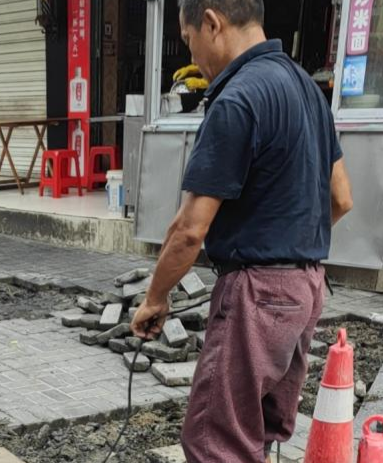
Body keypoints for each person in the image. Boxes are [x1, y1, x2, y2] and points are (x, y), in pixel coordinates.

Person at [130, 1, 353, 462]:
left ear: (211, 22)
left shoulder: (237, 98)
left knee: (218, 442)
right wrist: (287, 246)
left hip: (257, 293)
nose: (193, 60)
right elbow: (341, 199)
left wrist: (155, 298)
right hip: (306, 287)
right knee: (260, 432)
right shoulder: (307, 90)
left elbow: (192, 230)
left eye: (189, 42)